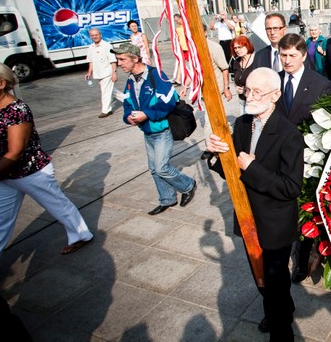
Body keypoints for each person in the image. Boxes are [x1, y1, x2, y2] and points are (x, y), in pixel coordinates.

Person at [206, 68, 303, 342]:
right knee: (263, 282)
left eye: (258, 92)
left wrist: (252, 167)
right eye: (247, 89)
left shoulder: (290, 134)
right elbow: (230, 170)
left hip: (275, 223)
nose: (249, 96)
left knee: (274, 283)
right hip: (248, 219)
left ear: (275, 96)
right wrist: (214, 155)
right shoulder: (242, 122)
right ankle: (279, 311)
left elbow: (290, 188)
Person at [0, 62, 94, 277]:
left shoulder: (17, 109)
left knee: (57, 204)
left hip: (31, 172)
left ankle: (80, 234)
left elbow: (15, 152)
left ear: (1, 83)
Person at [112, 42, 197, 216]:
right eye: (118, 59)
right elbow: (127, 102)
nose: (119, 63)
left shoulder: (156, 75)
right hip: (147, 132)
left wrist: (147, 114)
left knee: (161, 167)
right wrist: (128, 116)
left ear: (135, 59)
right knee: (153, 168)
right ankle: (167, 199)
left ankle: (188, 185)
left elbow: (168, 102)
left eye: (122, 59)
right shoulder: (130, 80)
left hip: (162, 131)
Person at [275, 34, 331, 284]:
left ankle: (302, 260)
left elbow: (327, 124)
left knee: (306, 211)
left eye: (292, 56)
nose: (287, 61)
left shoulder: (320, 83)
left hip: (308, 159)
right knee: (284, 212)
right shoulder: (273, 81)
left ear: (303, 55)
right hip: (277, 160)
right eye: (283, 55)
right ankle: (283, 251)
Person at [199, 38, 233, 160]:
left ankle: (210, 147)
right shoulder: (193, 48)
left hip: (216, 91)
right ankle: (230, 133)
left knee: (208, 121)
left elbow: (224, 68)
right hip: (203, 92)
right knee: (217, 119)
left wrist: (226, 88)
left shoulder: (214, 47)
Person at [85, 27, 118, 118]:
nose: (95, 37)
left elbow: (113, 60)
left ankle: (106, 110)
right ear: (90, 37)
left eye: (96, 35)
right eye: (92, 35)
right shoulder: (91, 47)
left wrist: (114, 73)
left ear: (100, 35)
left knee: (105, 92)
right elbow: (91, 61)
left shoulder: (107, 46)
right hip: (98, 73)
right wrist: (89, 72)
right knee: (112, 91)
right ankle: (129, 99)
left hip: (107, 72)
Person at [229, 36, 255, 115]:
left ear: (247, 45)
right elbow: (235, 79)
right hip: (242, 100)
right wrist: (236, 87)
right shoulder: (236, 62)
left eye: (240, 47)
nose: (237, 50)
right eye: (235, 48)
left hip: (255, 101)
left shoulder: (257, 59)